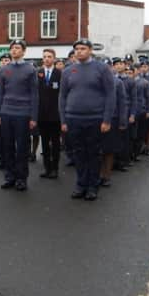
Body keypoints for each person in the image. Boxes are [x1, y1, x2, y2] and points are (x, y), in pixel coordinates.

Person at [59, 39, 115, 201]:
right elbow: (62, 97)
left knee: (93, 153)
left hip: (95, 118)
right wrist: (63, 120)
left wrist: (106, 119)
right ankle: (81, 184)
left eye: (83, 48)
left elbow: (110, 95)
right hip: (73, 118)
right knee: (78, 153)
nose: (79, 51)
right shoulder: (68, 71)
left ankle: (92, 186)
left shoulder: (102, 69)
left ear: (90, 50)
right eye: (77, 49)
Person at [0, 40, 38, 191]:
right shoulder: (4, 69)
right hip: (6, 112)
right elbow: (0, 93)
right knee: (7, 146)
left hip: (23, 113)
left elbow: (34, 94)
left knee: (22, 148)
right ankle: (10, 176)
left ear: (24, 51)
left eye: (17, 48)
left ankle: (21, 178)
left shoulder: (30, 69)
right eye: (12, 48)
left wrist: (33, 117)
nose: (14, 50)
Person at [99, 58, 127, 187]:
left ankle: (107, 175)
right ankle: (99, 174)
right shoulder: (96, 82)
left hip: (113, 119)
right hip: (97, 119)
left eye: (108, 67)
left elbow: (122, 103)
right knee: (98, 149)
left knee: (109, 150)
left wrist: (122, 121)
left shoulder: (118, 82)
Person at [37, 49, 62, 179]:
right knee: (45, 143)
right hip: (42, 115)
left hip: (55, 115)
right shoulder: (38, 73)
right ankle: (47, 168)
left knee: (55, 143)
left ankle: (55, 168)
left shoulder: (59, 74)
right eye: (45, 57)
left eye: (49, 57)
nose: (46, 59)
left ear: (54, 58)